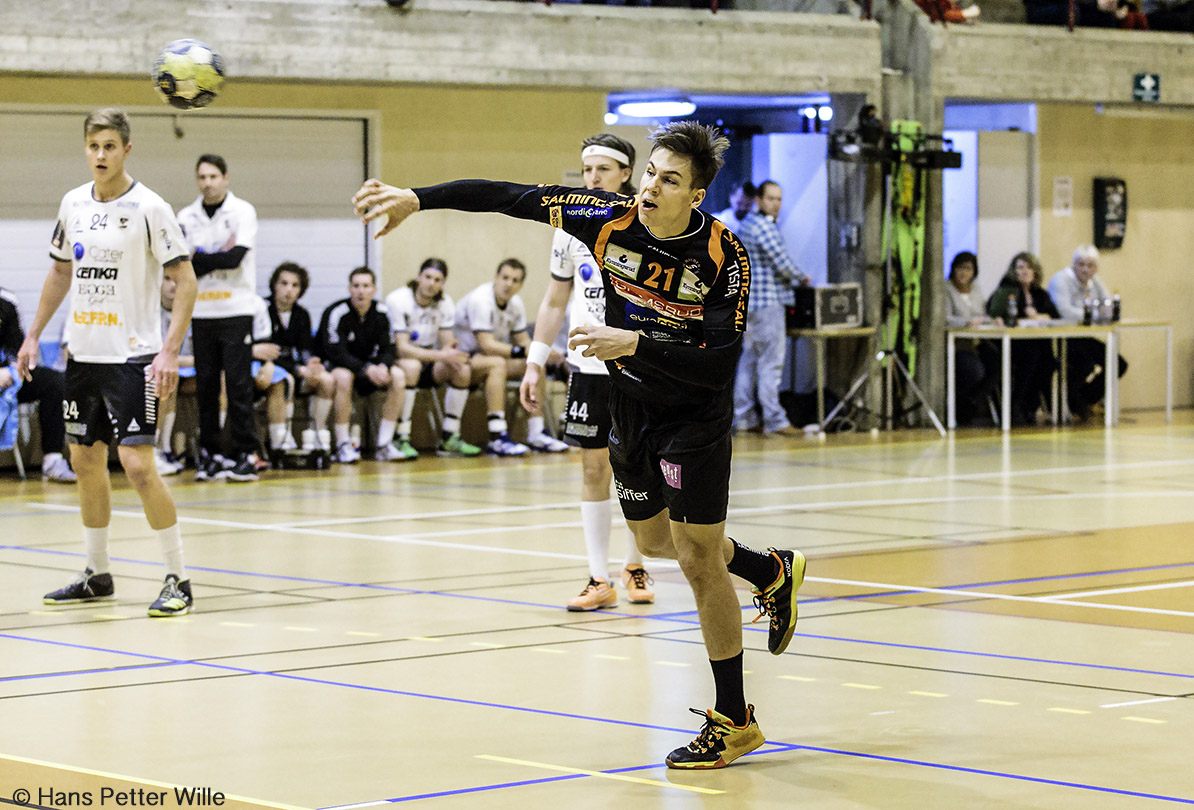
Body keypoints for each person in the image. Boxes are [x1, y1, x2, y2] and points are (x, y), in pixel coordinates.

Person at [353, 121, 806, 770]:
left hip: (693, 415)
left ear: (696, 196)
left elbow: (720, 361)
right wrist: (417, 198)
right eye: (650, 173)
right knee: (656, 544)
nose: (651, 187)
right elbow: (507, 196)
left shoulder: (722, 254)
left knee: (699, 559)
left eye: (669, 181)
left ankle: (734, 719)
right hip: (630, 405)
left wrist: (636, 343)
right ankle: (769, 571)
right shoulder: (604, 217)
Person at [17, 107, 197, 617]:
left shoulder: (150, 208)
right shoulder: (73, 202)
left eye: (110, 146)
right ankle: (96, 574)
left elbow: (186, 282)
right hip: (83, 355)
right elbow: (60, 274)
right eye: (93, 146)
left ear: (126, 150)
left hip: (133, 358)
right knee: (85, 462)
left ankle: (178, 578)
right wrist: (34, 336)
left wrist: (169, 350)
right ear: (86, 149)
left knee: (137, 465)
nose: (101, 155)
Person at [520, 133, 655, 612]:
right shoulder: (569, 229)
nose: (592, 178)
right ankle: (599, 578)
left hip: (639, 365)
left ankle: (635, 564)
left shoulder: (646, 223)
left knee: (639, 466)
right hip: (588, 367)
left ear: (626, 174)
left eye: (603, 169)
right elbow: (554, 301)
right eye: (586, 170)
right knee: (594, 467)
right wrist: (535, 362)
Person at [176, 154, 260, 483]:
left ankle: (245, 454)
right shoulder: (186, 216)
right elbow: (185, 264)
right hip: (201, 311)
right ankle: (211, 454)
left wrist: (203, 257)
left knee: (238, 385)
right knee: (206, 387)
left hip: (236, 310)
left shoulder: (243, 211)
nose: (207, 183)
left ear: (225, 178)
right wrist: (216, 256)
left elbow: (236, 258)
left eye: (213, 176)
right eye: (202, 177)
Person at [454, 259, 569, 456]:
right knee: (497, 363)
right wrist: (524, 351)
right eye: (505, 278)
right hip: (463, 361)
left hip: (490, 359)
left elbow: (523, 340)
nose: (509, 284)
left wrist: (541, 352)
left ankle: (536, 432)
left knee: (535, 364)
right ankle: (497, 436)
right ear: (496, 277)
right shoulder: (481, 299)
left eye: (515, 280)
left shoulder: (515, 304)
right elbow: (486, 345)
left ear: (521, 285)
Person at [734, 180, 809, 437]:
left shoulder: (747, 224)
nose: (776, 204)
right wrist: (802, 277)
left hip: (749, 305)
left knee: (748, 362)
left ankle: (743, 418)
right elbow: (783, 263)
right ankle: (775, 420)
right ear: (758, 200)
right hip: (768, 304)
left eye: (779, 199)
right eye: (771, 199)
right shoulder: (764, 226)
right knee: (771, 364)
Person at [385, 258, 481, 458]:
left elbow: (447, 343)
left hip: (429, 360)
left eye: (437, 280)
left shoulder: (445, 303)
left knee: (462, 369)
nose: (431, 283)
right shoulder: (398, 300)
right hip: (400, 361)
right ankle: (401, 437)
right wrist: (441, 354)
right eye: (428, 277)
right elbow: (402, 348)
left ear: (443, 283)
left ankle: (449, 437)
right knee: (411, 366)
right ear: (418, 277)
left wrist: (452, 351)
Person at [317, 267, 404, 464]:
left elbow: (389, 348)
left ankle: (384, 444)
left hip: (371, 368)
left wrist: (383, 366)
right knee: (343, 377)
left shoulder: (382, 312)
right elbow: (335, 351)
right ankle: (343, 444)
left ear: (374, 289)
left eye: (366, 286)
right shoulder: (336, 312)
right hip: (342, 366)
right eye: (356, 286)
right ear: (349, 288)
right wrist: (365, 369)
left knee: (398, 376)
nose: (361, 291)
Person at [0, 287, 76, 482]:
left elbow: (16, 351)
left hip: (4, 378)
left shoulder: (6, 301)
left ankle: (52, 459)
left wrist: (10, 370)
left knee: (54, 382)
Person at [1045, 245, 1128, 420]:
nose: (1085, 269)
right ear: (1073, 265)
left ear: (1096, 268)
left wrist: (1102, 313)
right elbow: (1065, 312)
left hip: (1083, 335)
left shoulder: (1095, 282)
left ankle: (1084, 398)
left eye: (1090, 265)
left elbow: (1108, 306)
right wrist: (1096, 314)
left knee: (1118, 363)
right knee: (1084, 363)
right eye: (1081, 264)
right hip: (1062, 336)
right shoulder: (1061, 280)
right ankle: (1071, 401)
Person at [264, 262, 336, 450]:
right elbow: (267, 352)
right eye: (284, 283)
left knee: (326, 380)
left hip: (297, 369)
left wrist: (311, 362)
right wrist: (299, 369)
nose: (289, 290)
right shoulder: (264, 310)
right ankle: (282, 437)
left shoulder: (301, 314)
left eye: (295, 285)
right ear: (274, 285)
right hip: (270, 370)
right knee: (286, 380)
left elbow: (305, 348)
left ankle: (317, 435)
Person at [987, 251, 1060, 425]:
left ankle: (1031, 405)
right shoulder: (1006, 290)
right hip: (1012, 342)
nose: (1025, 271)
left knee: (1049, 361)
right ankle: (1016, 404)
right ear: (1014, 271)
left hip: (1036, 341)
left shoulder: (1039, 293)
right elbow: (993, 312)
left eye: (1029, 268)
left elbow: (1054, 316)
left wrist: (1040, 316)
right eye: (1020, 267)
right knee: (1031, 356)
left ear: (1035, 271)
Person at [945, 251, 1000, 425]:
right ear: (953, 269)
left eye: (968, 269)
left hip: (977, 342)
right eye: (960, 268)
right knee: (974, 370)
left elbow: (981, 315)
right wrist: (966, 322)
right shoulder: (946, 289)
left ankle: (974, 401)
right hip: (957, 344)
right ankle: (961, 409)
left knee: (999, 364)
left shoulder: (976, 289)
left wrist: (993, 320)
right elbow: (946, 318)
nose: (964, 272)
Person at [154, 275, 195, 476]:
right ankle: (155, 448)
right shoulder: (150, 311)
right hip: (155, 369)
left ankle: (166, 448)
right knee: (167, 376)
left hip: (187, 369)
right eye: (167, 279)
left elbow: (203, 357)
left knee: (220, 377)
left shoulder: (192, 311)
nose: (173, 285)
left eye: (177, 280)